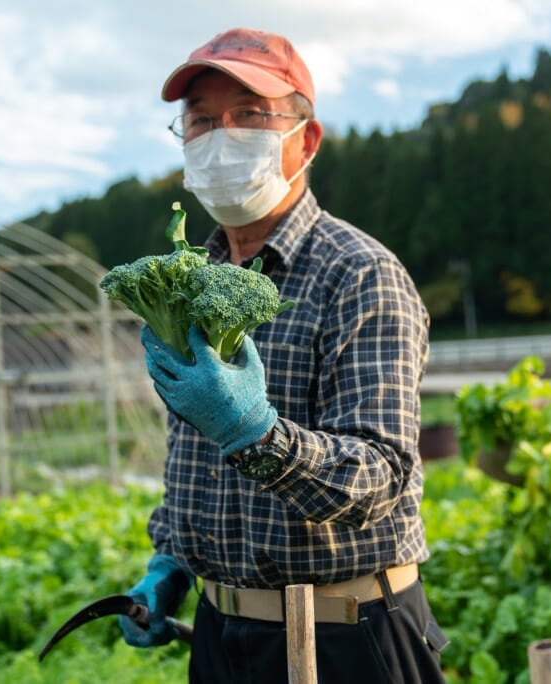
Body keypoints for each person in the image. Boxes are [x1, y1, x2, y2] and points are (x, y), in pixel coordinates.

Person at [119, 27, 449, 683]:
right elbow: (196, 463)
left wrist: (255, 433)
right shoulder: (186, 281)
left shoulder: (360, 275)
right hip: (221, 634)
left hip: (349, 632)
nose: (221, 136)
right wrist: (173, 561)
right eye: (202, 120)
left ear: (307, 138)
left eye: (249, 114)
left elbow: (378, 477)